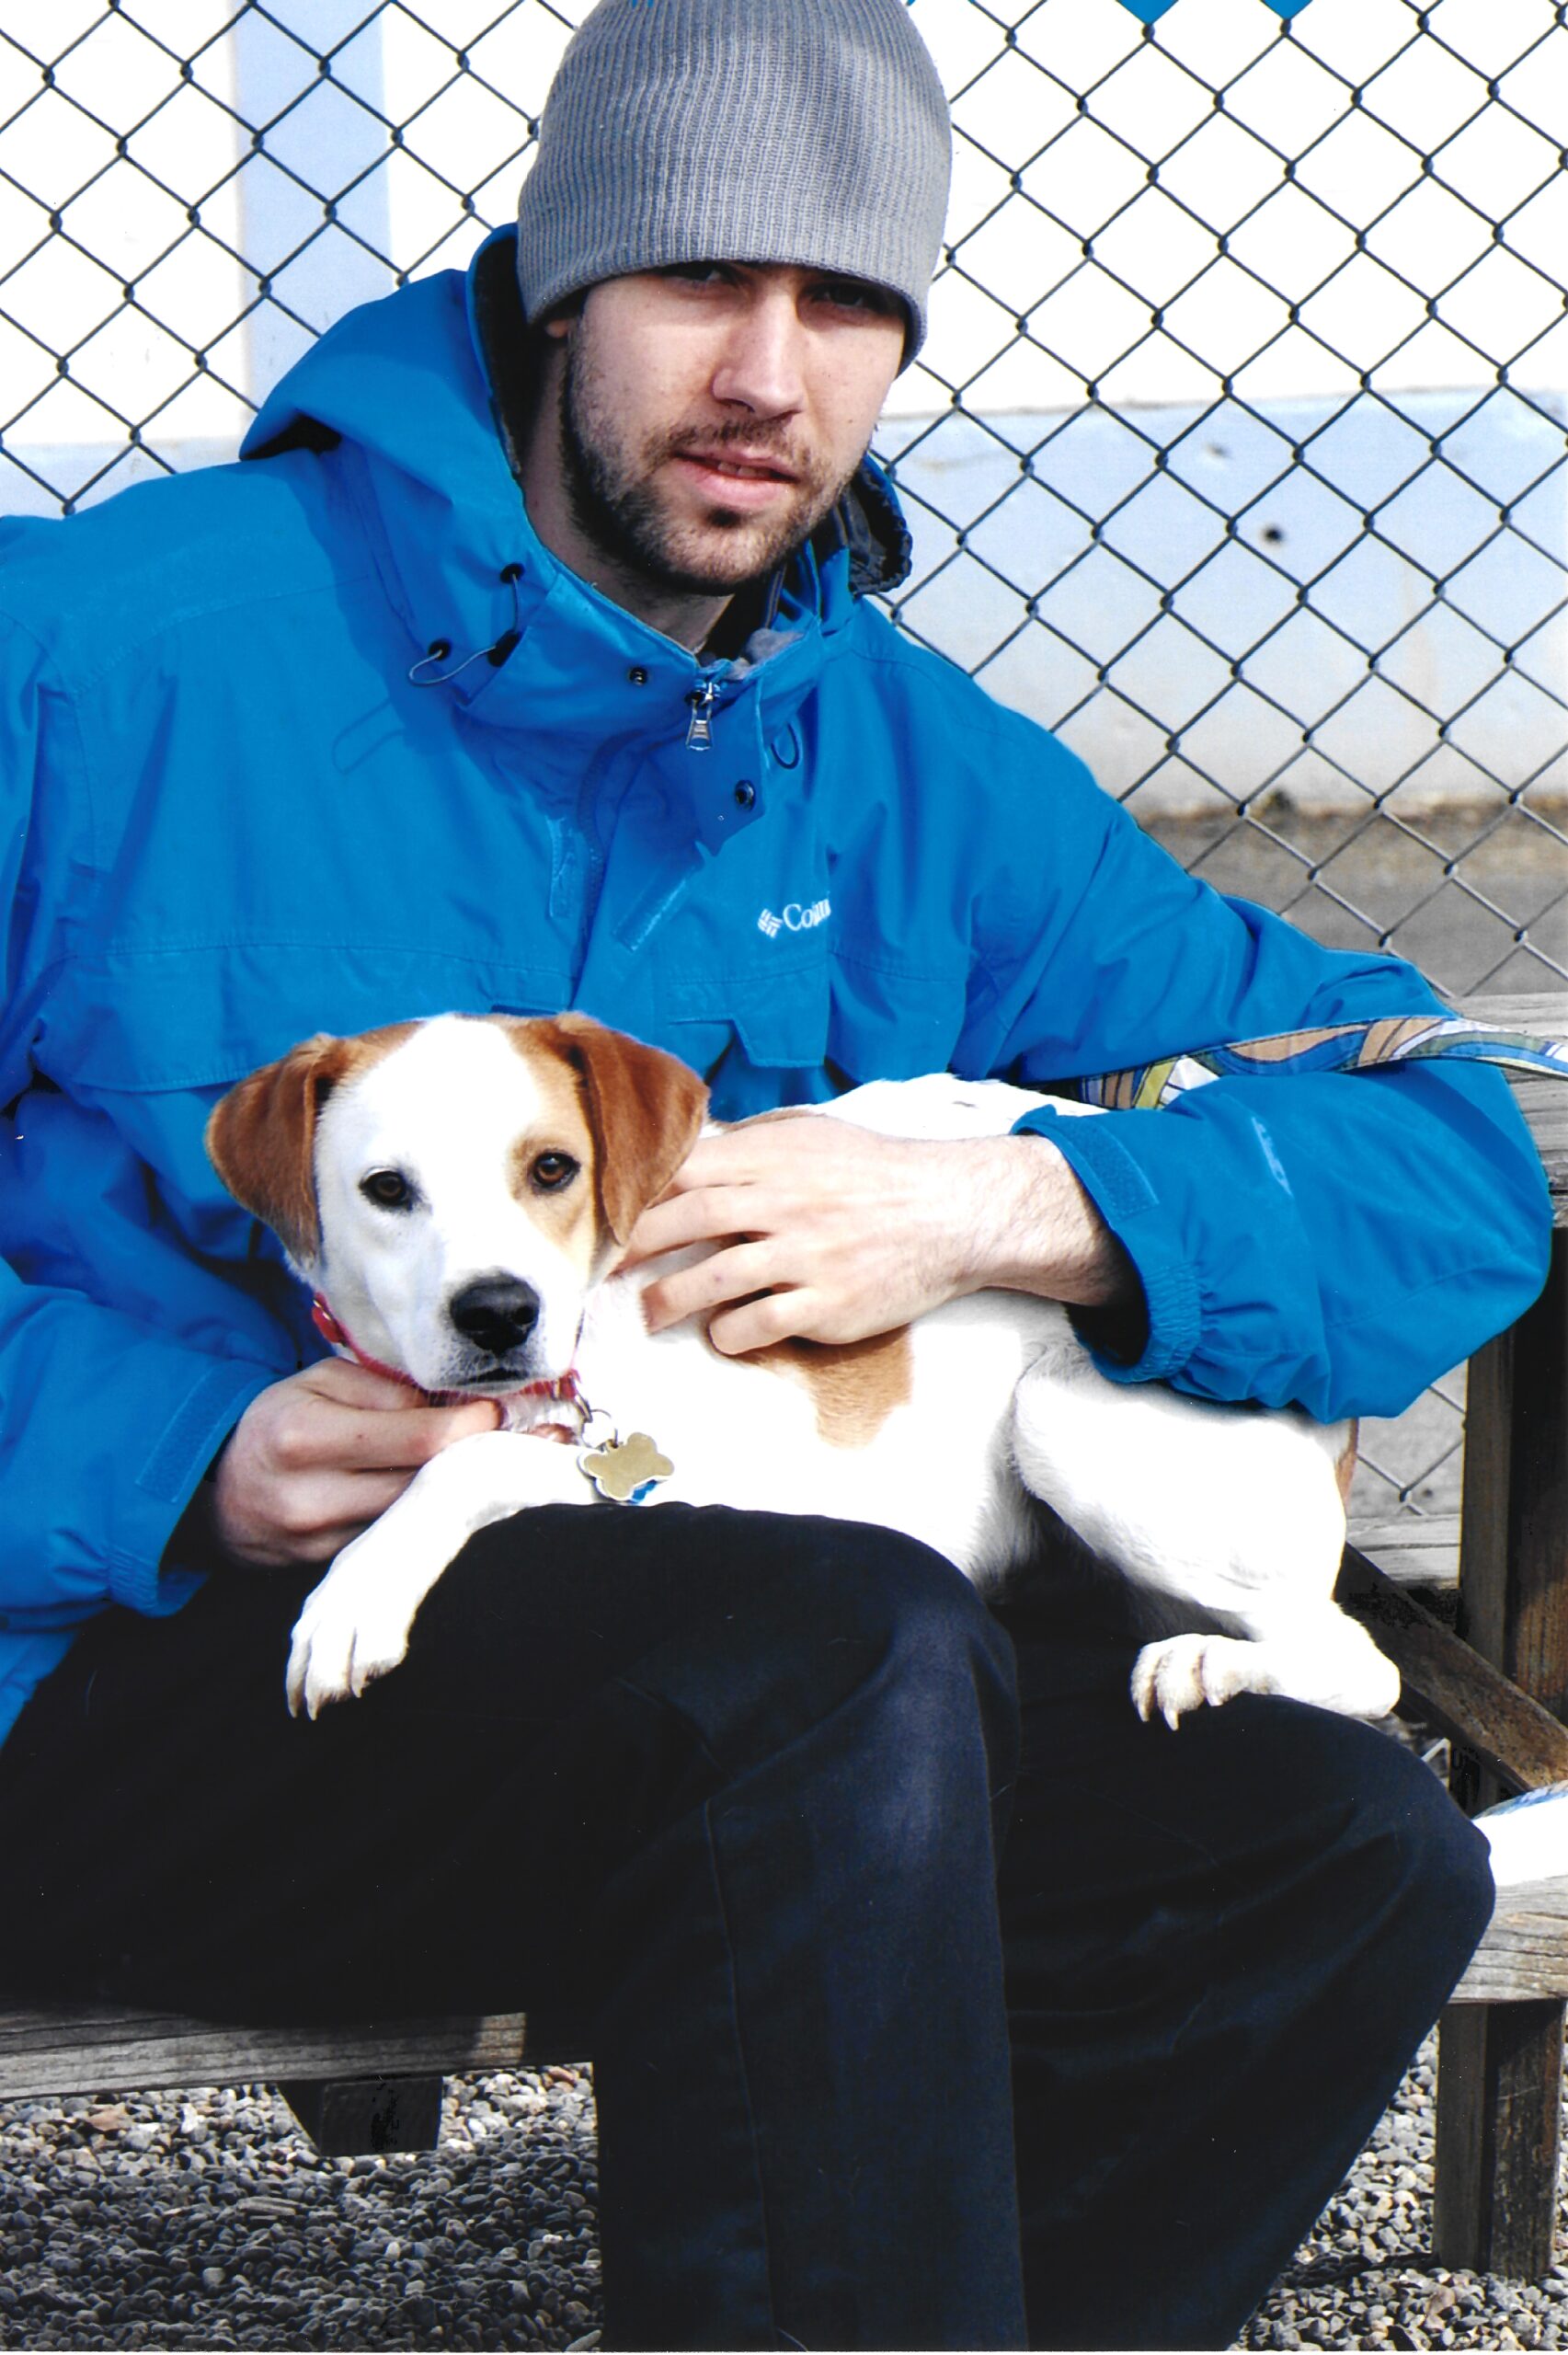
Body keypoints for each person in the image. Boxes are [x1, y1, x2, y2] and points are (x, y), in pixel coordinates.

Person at [0, 0, 1551, 2344]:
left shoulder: (896, 767)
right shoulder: (107, 658)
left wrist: (1026, 1211)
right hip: (133, 1685)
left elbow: (1437, 1127)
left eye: (844, 303)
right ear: (551, 289)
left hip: (739, 1745)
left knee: (1332, 1846)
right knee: (834, 1657)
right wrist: (169, 1449)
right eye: (695, 280)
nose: (766, 369)